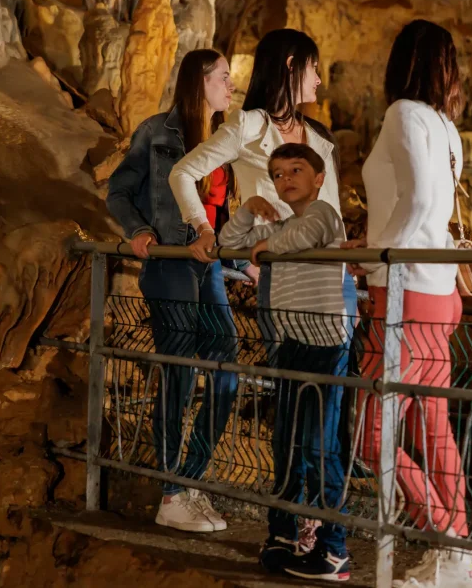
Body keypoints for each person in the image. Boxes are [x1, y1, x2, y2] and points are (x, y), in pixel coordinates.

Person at [167, 29, 358, 555]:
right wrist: (203, 229)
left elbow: (333, 217)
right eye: (314, 67)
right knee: (295, 420)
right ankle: (290, 527)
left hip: (331, 290)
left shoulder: (319, 139)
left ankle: (318, 529)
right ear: (292, 64)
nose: (320, 79)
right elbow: (186, 174)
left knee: (329, 422)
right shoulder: (250, 125)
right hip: (284, 290)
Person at [344, 20, 472, 588]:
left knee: (372, 435)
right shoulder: (446, 126)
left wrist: (380, 258)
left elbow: (421, 200)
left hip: (404, 294)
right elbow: (430, 206)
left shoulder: (403, 113)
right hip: (440, 293)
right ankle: (459, 556)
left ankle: (446, 544)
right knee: (433, 429)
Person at [105, 48, 242, 533]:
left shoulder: (229, 141)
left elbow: (226, 215)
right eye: (224, 77)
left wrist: (245, 260)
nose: (231, 85)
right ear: (198, 81)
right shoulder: (156, 133)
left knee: (227, 365)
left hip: (210, 266)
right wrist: (138, 231)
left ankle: (191, 478)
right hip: (170, 261)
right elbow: (118, 191)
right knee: (179, 371)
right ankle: (170, 491)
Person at [222, 143, 354, 582]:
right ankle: (282, 533)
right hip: (293, 342)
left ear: (319, 178)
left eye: (296, 170)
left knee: (319, 445)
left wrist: (263, 247)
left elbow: (298, 240)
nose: (285, 180)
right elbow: (228, 245)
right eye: (277, 174)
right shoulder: (287, 221)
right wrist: (249, 211)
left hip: (325, 346)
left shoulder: (323, 213)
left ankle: (333, 550)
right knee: (288, 445)